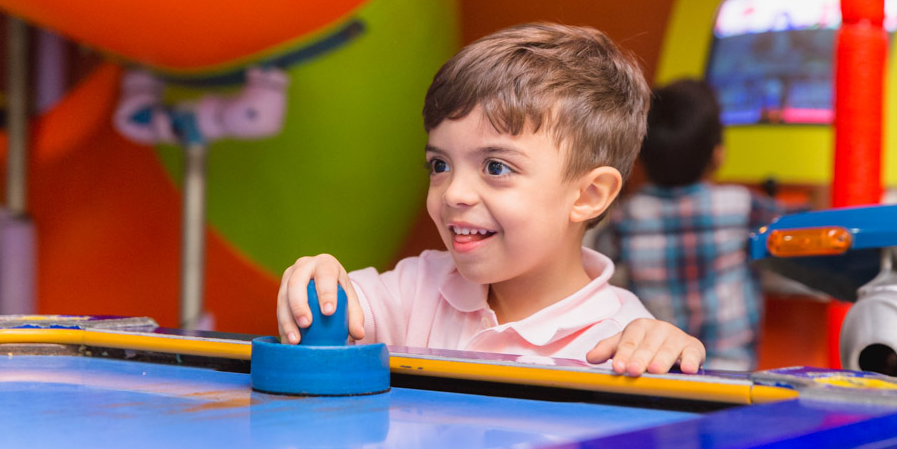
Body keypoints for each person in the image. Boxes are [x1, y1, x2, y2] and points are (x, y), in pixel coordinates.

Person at [277, 23, 705, 376]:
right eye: (440, 165)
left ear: (589, 195)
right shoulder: (417, 289)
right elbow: (335, 311)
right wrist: (317, 280)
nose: (455, 194)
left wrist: (666, 355)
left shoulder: (622, 341)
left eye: (496, 168)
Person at [595, 78, 789, 371]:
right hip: (731, 370)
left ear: (640, 155)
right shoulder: (741, 205)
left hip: (658, 364)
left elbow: (598, 259)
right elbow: (797, 226)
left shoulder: (627, 216)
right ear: (718, 153)